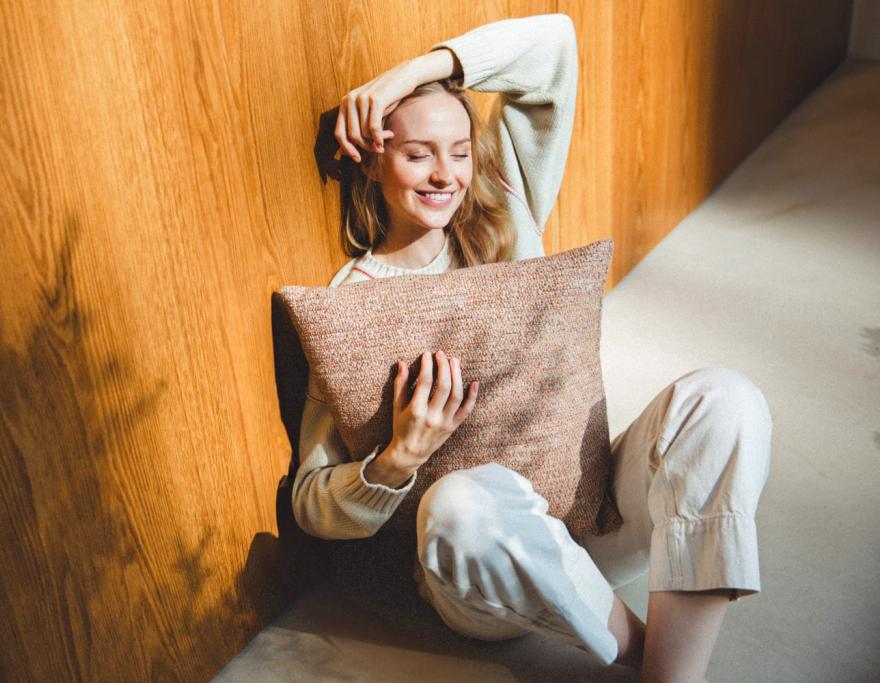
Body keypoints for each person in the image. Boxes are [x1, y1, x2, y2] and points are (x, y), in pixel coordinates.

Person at [293, 13, 773, 682]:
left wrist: (415, 74)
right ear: (373, 161)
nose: (445, 175)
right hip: (481, 564)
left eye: (460, 150)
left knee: (726, 399)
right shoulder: (352, 304)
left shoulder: (504, 215)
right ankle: (653, 658)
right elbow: (311, 501)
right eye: (417, 154)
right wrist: (401, 456)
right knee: (460, 501)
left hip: (589, 516)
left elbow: (555, 45)